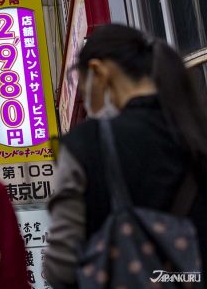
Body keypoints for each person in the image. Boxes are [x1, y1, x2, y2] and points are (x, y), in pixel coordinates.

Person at [44, 24, 207, 287]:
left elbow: (61, 267)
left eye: (86, 96)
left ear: (99, 71)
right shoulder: (195, 128)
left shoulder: (86, 144)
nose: (90, 107)